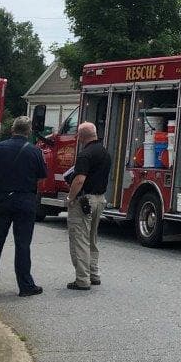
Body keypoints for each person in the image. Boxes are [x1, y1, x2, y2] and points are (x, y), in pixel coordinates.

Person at [0, 115, 47, 298]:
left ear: (12, 129)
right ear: (29, 132)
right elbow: (42, 175)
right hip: (25, 202)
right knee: (23, 245)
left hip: (1, 200)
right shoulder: (35, 151)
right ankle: (25, 286)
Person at [66, 122, 112, 291]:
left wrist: (71, 197)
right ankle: (94, 274)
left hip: (84, 201)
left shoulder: (85, 155)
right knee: (92, 239)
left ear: (82, 136)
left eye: (78, 135)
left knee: (80, 240)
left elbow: (79, 179)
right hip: (100, 199)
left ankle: (82, 279)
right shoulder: (104, 152)